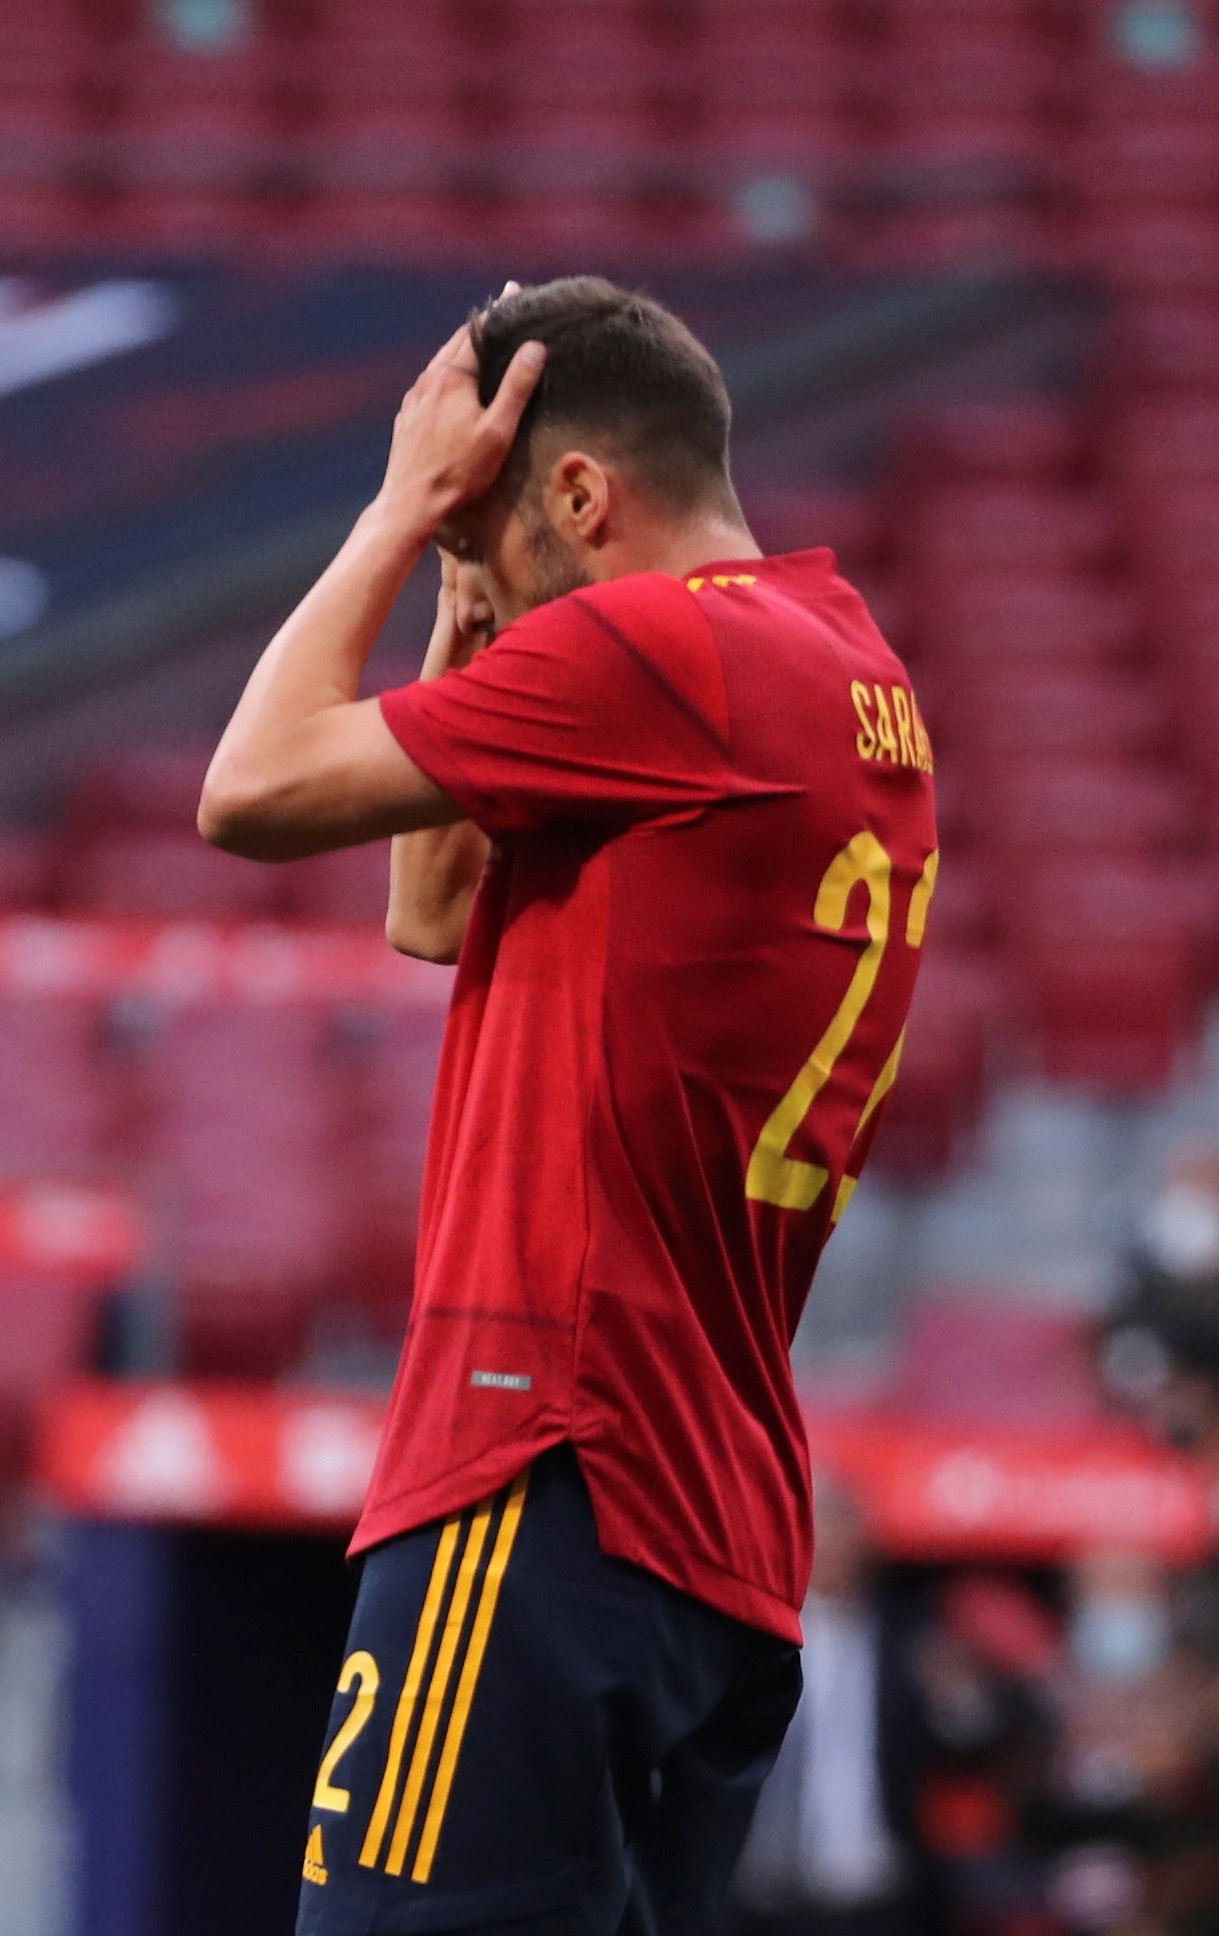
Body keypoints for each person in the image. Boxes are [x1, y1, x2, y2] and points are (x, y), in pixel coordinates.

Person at [199, 276, 939, 1936]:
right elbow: (437, 914)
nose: (477, 586)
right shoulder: (848, 673)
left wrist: (400, 512)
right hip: (714, 1535)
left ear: (583, 497)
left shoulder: (658, 648)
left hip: (540, 1472)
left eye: (489, 539)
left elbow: (247, 788)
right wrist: (475, 591)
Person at [731, 1475, 949, 1936]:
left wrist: (958, 1692)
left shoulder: (913, 1637)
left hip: (877, 1896)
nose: (830, 1552)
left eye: (842, 1535)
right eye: (817, 1536)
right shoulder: (748, 1638)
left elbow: (967, 1735)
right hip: (762, 1896)